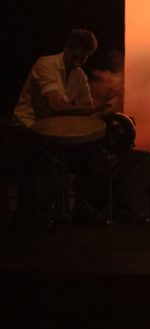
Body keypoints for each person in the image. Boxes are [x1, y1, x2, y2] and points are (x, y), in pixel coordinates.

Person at [11, 29, 113, 226]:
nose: (80, 60)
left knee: (99, 158)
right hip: (28, 130)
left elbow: (87, 113)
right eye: (77, 54)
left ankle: (82, 210)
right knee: (49, 160)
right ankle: (38, 215)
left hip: (58, 136)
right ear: (67, 48)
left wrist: (104, 112)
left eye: (85, 56)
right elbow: (56, 106)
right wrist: (93, 109)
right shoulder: (46, 64)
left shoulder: (79, 75)